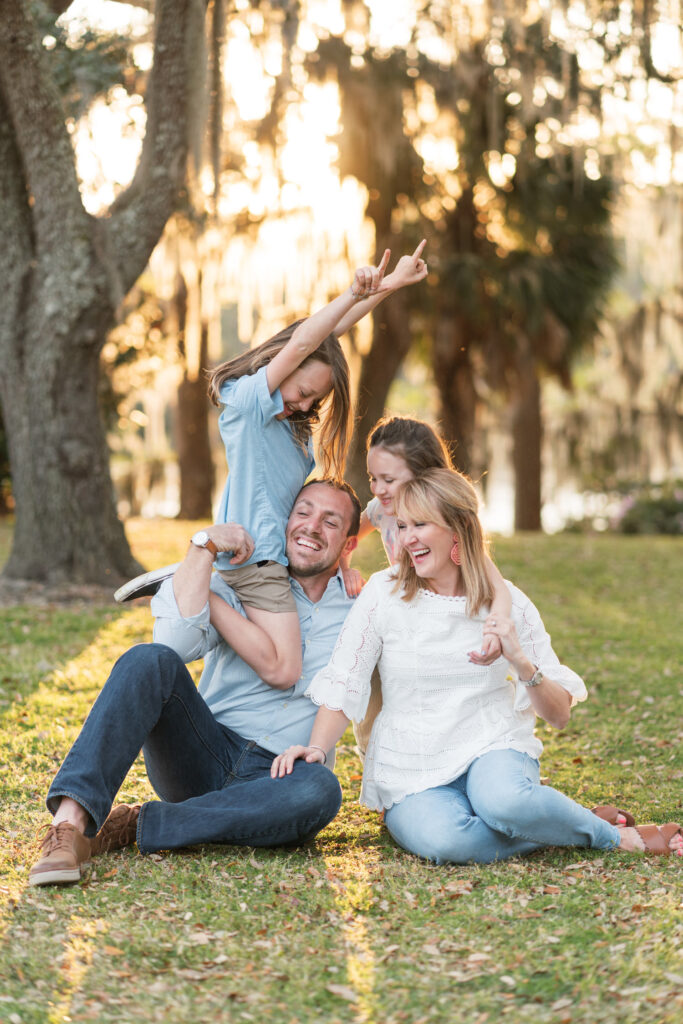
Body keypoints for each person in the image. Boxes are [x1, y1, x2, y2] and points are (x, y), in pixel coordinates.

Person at [272, 469, 683, 862]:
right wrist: (317, 749)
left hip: (492, 747)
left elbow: (558, 715)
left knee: (506, 802)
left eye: (421, 525)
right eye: (403, 525)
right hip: (411, 767)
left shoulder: (509, 602)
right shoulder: (383, 593)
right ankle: (572, 824)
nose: (406, 538)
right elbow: (347, 680)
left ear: (458, 530)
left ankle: (616, 838)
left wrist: (519, 660)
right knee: (446, 841)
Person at [29, 479, 361, 887]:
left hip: (279, 778)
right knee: (148, 659)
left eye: (331, 522)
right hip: (202, 750)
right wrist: (202, 549)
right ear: (285, 520)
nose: (311, 527)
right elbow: (172, 646)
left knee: (321, 790)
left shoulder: (362, 608)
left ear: (349, 544)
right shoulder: (243, 582)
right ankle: (69, 827)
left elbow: (405, 515)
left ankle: (134, 825)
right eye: (303, 512)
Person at [204, 244, 428, 691]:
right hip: (253, 562)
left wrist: (388, 287)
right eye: (303, 390)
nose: (305, 404)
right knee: (285, 669)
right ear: (280, 363)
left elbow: (325, 339)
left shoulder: (287, 426)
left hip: (275, 559)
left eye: (315, 400)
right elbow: (306, 339)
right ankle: (197, 592)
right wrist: (350, 292)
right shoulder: (251, 405)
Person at [343, 416, 512, 756]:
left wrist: (498, 626)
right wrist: (346, 568)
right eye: (374, 478)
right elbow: (345, 542)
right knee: (373, 691)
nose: (376, 488)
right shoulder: (380, 511)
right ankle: (378, 763)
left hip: (443, 623)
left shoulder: (449, 519)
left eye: (388, 479)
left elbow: (496, 584)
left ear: (424, 476)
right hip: (401, 616)